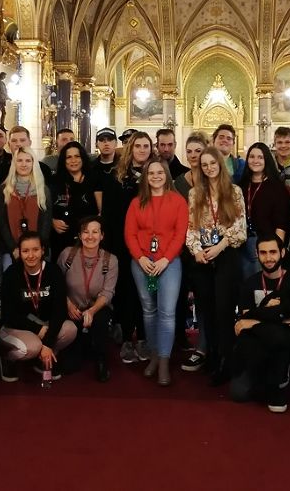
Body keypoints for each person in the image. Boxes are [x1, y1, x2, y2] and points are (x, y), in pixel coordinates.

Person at [186, 146, 248, 385]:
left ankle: (226, 359)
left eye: (213, 163)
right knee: (207, 309)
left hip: (226, 254)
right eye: (204, 165)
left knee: (223, 309)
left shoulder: (234, 191)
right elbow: (190, 227)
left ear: (220, 165)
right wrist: (196, 251)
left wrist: (221, 246)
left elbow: (240, 226)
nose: (209, 168)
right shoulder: (194, 194)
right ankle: (211, 355)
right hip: (203, 257)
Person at [125, 159, 189, 386]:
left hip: (168, 263)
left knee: (167, 312)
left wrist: (165, 259)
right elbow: (130, 234)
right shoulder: (136, 203)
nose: (155, 176)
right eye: (151, 173)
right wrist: (141, 258)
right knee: (149, 310)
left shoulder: (179, 201)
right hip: (142, 262)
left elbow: (180, 234)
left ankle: (163, 360)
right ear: (145, 177)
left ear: (167, 175)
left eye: (159, 172)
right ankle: (153, 354)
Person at [229, 235, 290, 413]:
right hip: (257, 341)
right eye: (263, 253)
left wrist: (255, 317)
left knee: (279, 336)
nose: (268, 257)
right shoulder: (250, 283)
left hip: (283, 341)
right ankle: (263, 375)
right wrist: (275, 314)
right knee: (238, 394)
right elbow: (243, 323)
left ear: (282, 252)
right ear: (256, 254)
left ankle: (277, 383)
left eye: (273, 252)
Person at [102, 131, 153, 364]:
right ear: (131, 148)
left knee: (147, 293)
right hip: (122, 243)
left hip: (150, 245)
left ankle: (143, 338)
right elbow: (110, 215)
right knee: (125, 292)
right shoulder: (116, 176)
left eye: (146, 146)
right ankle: (125, 339)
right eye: (138, 146)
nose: (142, 150)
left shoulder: (155, 174)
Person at [0, 232, 77, 378]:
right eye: (26, 251)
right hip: (18, 327)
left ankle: (43, 357)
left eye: (35, 250)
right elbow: (9, 314)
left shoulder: (54, 272)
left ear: (42, 250)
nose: (31, 255)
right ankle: (8, 358)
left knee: (70, 329)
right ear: (19, 253)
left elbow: (59, 310)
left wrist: (47, 343)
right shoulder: (11, 274)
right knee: (33, 347)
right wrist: (38, 329)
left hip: (45, 325)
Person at [58, 217, 118, 382]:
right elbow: (56, 285)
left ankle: (101, 360)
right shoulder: (67, 255)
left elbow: (107, 293)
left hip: (97, 308)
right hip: (72, 308)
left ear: (102, 236)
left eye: (95, 232)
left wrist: (91, 311)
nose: (90, 236)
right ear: (79, 235)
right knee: (70, 366)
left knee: (100, 321)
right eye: (85, 232)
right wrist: (68, 304)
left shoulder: (110, 260)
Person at [173, 131, 210, 371]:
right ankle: (177, 342)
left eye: (198, 151)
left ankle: (204, 347)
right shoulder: (178, 182)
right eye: (189, 151)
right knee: (178, 296)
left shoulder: (213, 179)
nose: (193, 155)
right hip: (181, 248)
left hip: (207, 249)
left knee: (205, 300)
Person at [239, 142, 290, 279]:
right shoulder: (241, 185)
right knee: (246, 286)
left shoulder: (277, 188)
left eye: (260, 157)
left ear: (266, 160)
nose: (255, 161)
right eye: (252, 157)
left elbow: (281, 223)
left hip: (265, 245)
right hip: (242, 244)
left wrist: (276, 251)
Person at [0, 147, 52, 271]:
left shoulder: (43, 190)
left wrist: (38, 249)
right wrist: (13, 248)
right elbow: (1, 221)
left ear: (33, 163)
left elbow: (46, 223)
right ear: (14, 163)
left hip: (38, 250)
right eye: (20, 160)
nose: (24, 164)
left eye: (28, 161)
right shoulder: (4, 190)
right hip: (11, 249)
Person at [49, 140, 102, 258]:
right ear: (64, 160)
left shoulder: (94, 179)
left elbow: (100, 212)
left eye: (77, 156)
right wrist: (52, 221)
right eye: (69, 157)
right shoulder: (54, 181)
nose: (73, 160)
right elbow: (46, 208)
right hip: (61, 239)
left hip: (88, 239)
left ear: (83, 158)